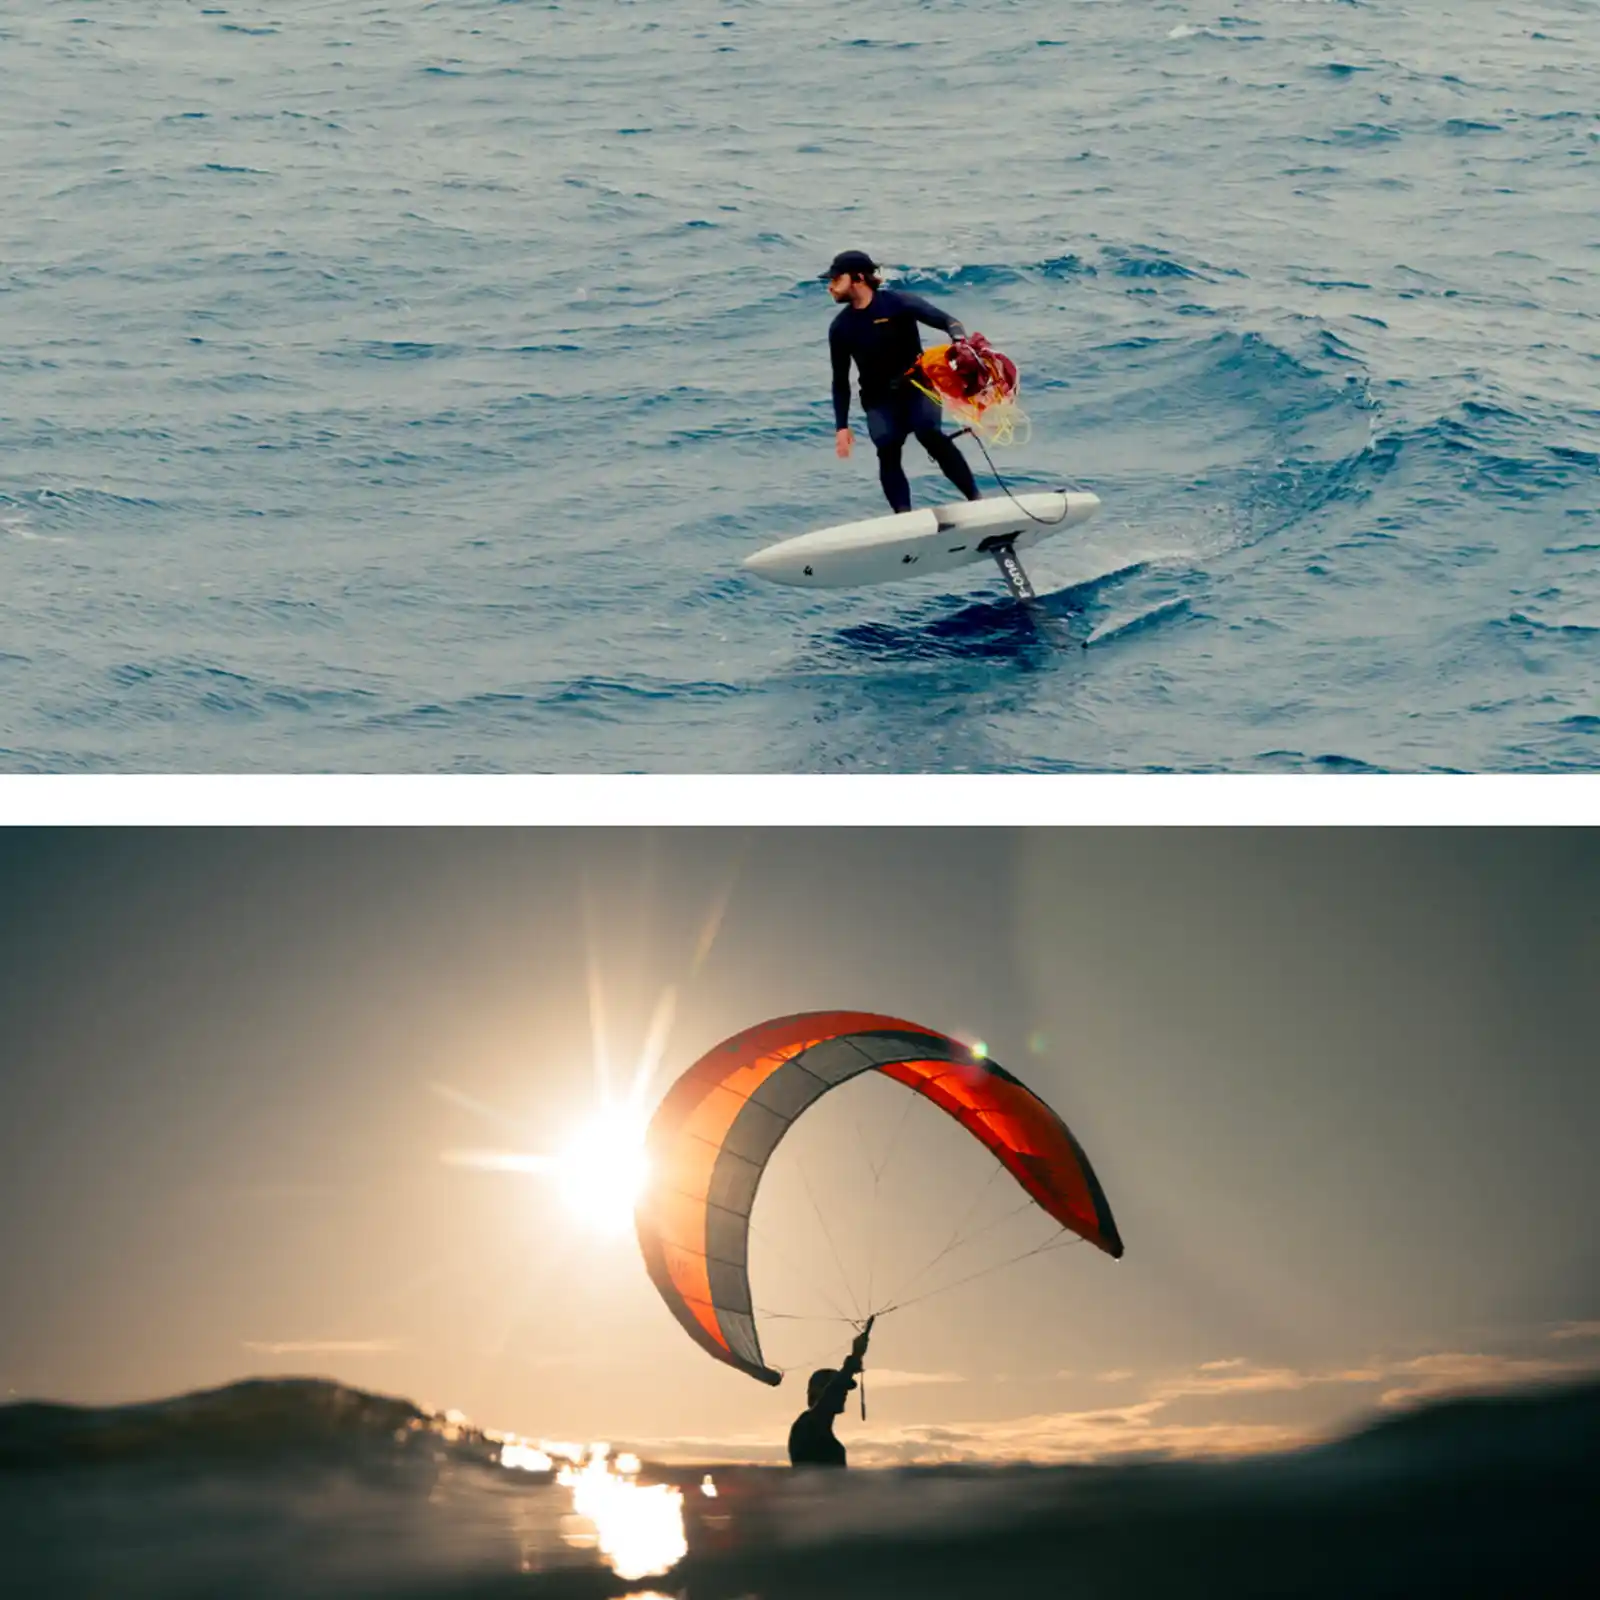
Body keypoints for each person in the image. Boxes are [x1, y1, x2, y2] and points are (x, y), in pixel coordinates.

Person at [822, 250, 983, 515]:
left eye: (836, 279)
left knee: (929, 432)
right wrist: (841, 426)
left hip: (919, 387)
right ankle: (903, 516)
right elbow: (840, 380)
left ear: (858, 278)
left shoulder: (898, 304)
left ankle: (976, 499)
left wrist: (960, 343)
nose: (830, 286)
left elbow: (948, 321)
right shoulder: (841, 328)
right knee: (887, 446)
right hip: (878, 398)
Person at [787, 1318, 873, 1468]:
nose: (845, 1394)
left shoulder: (819, 1430)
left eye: (846, 1389)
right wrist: (855, 1357)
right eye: (843, 1388)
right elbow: (832, 1395)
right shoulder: (806, 1425)